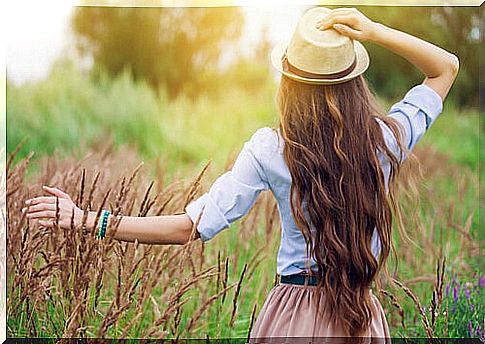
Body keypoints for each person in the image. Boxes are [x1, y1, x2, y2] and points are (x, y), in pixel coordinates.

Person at [22, 6, 458, 342]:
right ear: (354, 80)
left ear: (289, 81)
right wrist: (373, 29)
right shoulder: (386, 139)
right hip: (360, 317)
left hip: (293, 318)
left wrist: (85, 219)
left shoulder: (272, 149)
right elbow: (445, 67)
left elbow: (188, 227)